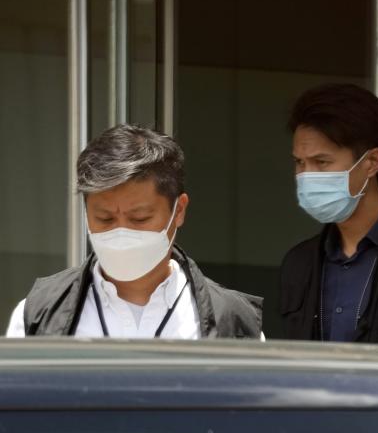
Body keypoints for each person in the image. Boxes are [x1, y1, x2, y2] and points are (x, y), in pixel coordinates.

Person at [5, 124, 263, 338]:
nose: (121, 232)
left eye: (140, 218)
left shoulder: (234, 321)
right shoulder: (38, 313)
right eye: (104, 218)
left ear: (179, 210)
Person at [280, 84, 378, 342]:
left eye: (321, 162)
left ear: (371, 162)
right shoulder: (299, 264)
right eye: (300, 163)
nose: (306, 175)